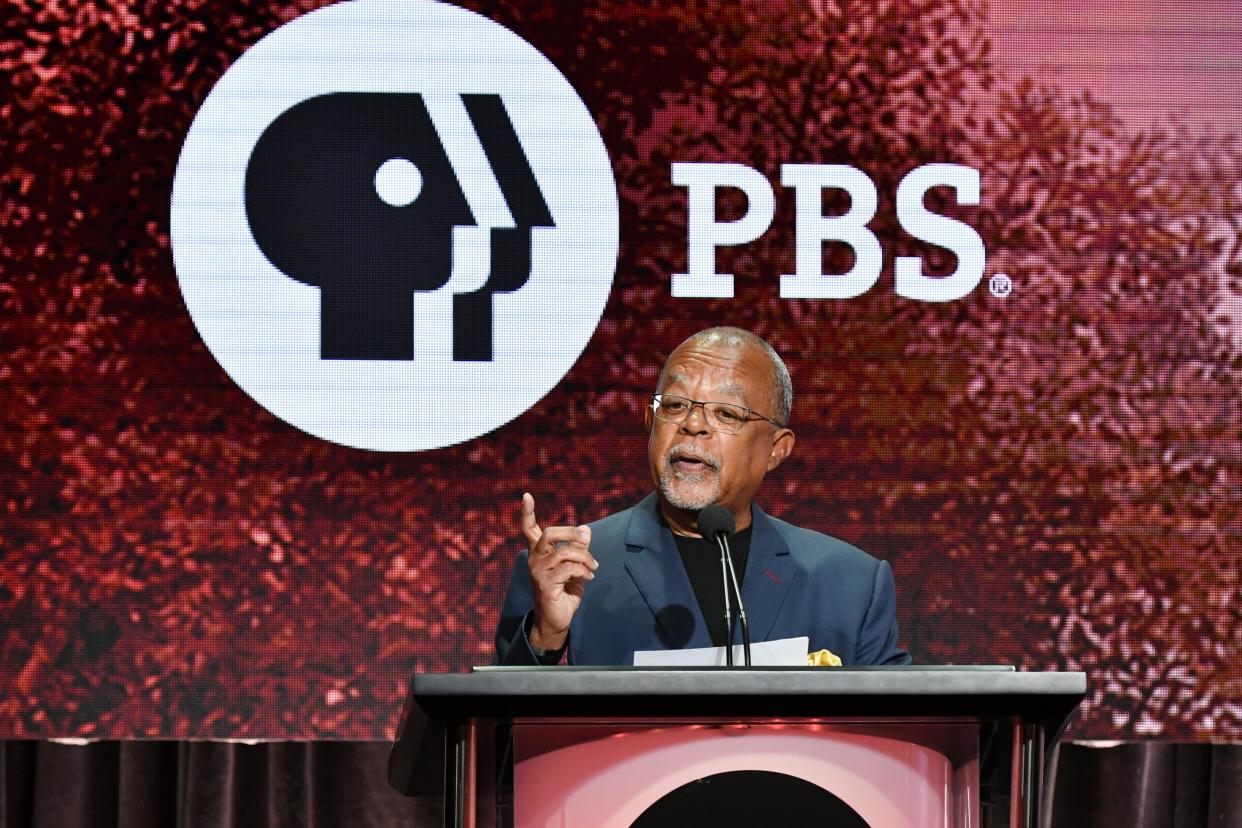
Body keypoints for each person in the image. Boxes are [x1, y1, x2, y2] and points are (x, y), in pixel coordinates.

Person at [494, 326, 910, 666]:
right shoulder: (570, 570)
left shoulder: (849, 583)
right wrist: (546, 638)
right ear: (649, 423)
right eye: (675, 406)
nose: (693, 425)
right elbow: (500, 746)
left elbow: (905, 741)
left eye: (726, 413)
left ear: (776, 449)